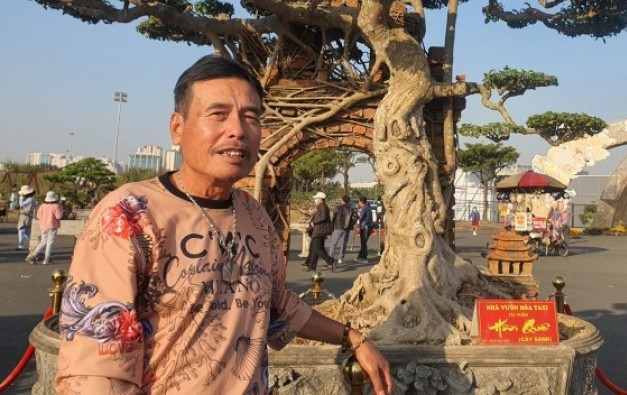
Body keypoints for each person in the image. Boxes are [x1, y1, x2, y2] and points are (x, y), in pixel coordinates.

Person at [55, 55, 391, 395]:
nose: (237, 130)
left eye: (251, 117)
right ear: (177, 128)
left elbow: (276, 305)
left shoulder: (255, 216)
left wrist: (352, 337)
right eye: (218, 114)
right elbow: (96, 363)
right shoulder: (131, 214)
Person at [27, 190, 64, 265]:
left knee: (43, 242)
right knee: (50, 243)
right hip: (52, 226)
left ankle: (33, 255)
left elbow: (38, 216)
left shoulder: (42, 206)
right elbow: (59, 216)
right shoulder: (55, 206)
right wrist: (61, 209)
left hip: (43, 226)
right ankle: (46, 259)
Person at [301, 191, 336, 272]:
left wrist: (314, 222)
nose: (315, 200)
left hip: (320, 231)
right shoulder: (321, 206)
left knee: (318, 249)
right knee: (314, 248)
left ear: (320, 199)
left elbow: (323, 217)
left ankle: (331, 261)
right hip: (318, 231)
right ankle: (310, 265)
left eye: (316, 198)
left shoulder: (322, 206)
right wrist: (308, 228)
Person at [327, 194, 353, 265]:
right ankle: (341, 258)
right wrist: (350, 225)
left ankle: (330, 258)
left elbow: (333, 217)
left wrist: (332, 226)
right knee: (344, 243)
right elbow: (356, 217)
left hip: (337, 227)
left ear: (342, 200)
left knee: (333, 244)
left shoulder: (338, 207)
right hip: (346, 228)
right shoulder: (351, 208)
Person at [16, 185, 36, 251]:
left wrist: (21, 198)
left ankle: (21, 245)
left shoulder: (30, 199)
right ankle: (33, 243)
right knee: (26, 231)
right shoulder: (31, 199)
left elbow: (21, 204)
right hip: (27, 216)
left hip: (25, 215)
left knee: (21, 229)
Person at [356, 196, 371, 264]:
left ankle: (364, 257)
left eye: (359, 201)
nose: (358, 203)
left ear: (361, 202)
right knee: (364, 242)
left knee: (363, 243)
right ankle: (360, 256)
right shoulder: (368, 207)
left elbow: (361, 218)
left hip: (364, 227)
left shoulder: (364, 208)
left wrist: (358, 225)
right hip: (368, 227)